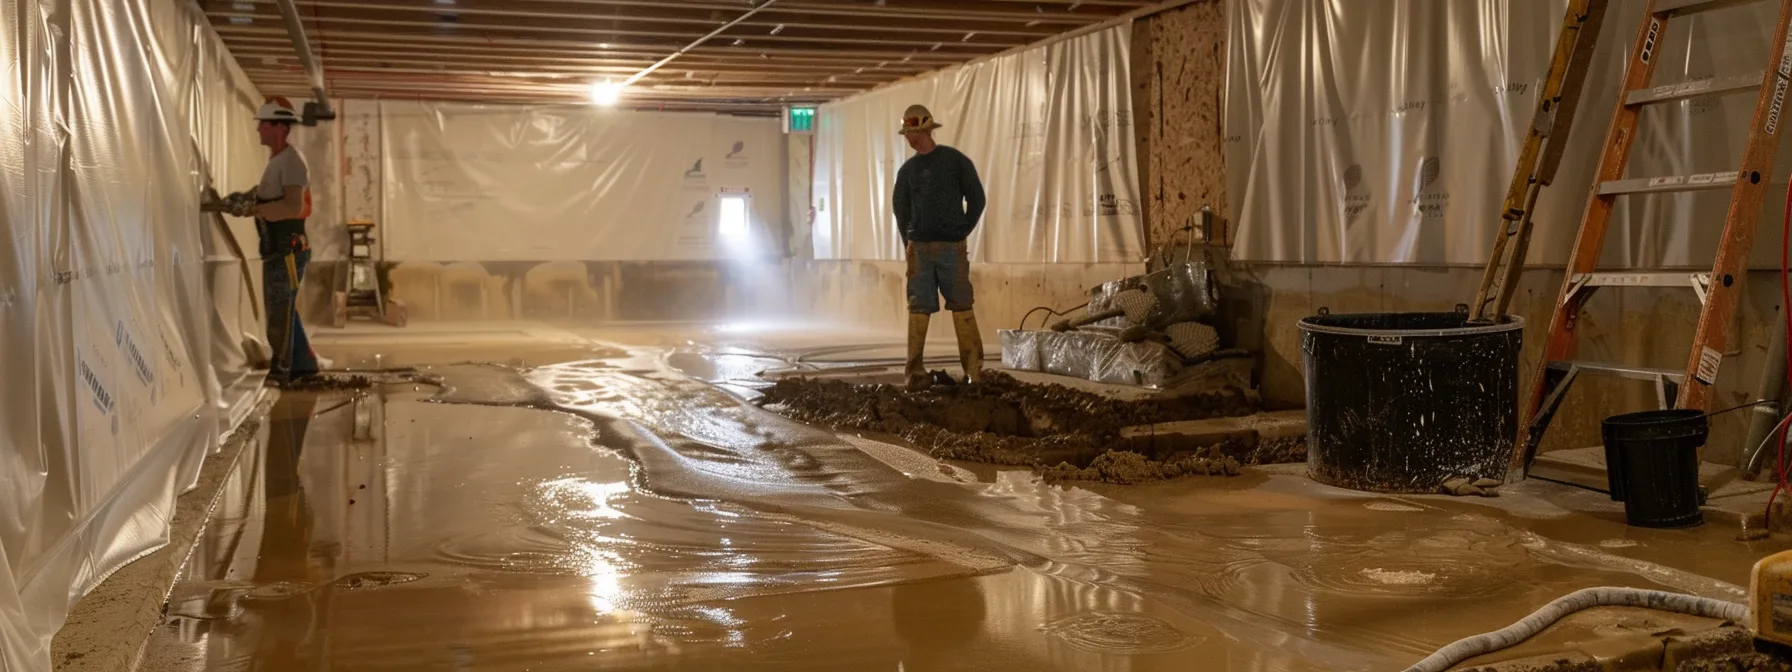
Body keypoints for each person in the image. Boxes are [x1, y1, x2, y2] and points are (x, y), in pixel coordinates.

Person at [892, 104, 986, 391]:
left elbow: (977, 198)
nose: (909, 138)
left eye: (912, 133)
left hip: (949, 246)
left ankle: (973, 373)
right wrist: (909, 240)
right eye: (907, 133)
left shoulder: (955, 162)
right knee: (919, 306)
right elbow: (900, 209)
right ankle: (915, 373)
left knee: (961, 303)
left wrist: (961, 231)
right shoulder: (908, 171)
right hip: (920, 248)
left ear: (925, 131)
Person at [233, 97, 319, 383]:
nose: (259, 129)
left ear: (281, 127)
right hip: (277, 248)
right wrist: (244, 199)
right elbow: (269, 194)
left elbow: (292, 207)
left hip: (288, 249)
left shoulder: (293, 162)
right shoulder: (279, 160)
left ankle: (281, 371)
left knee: (279, 312)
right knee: (284, 309)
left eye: (265, 125)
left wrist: (254, 209)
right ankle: (304, 365)